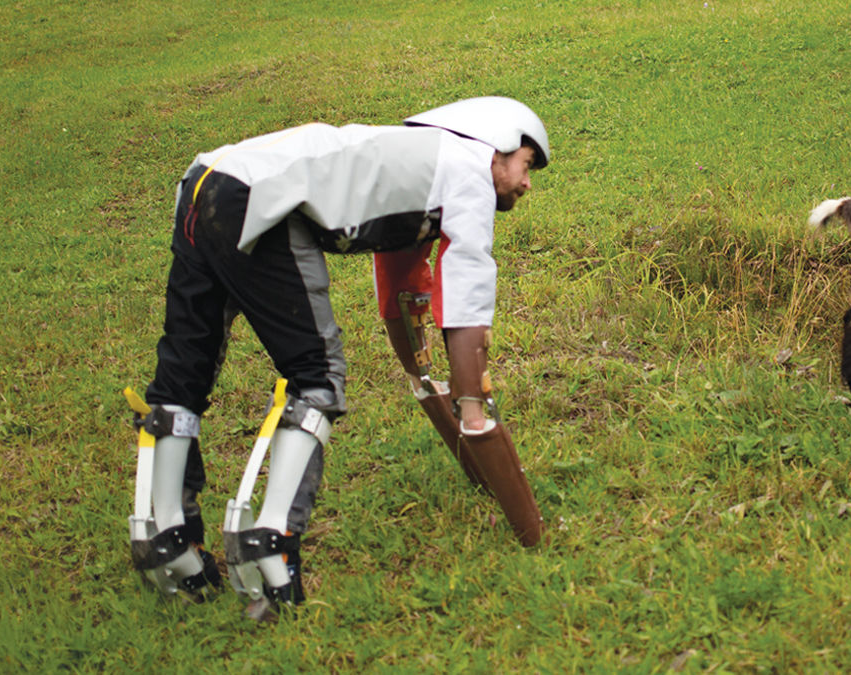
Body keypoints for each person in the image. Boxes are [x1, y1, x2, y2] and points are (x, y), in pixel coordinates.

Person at [124, 97, 548, 618]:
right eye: (527, 165)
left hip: (206, 181)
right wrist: (472, 404)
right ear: (497, 145)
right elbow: (468, 290)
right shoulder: (469, 169)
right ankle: (272, 541)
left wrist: (421, 373)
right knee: (317, 377)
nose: (527, 184)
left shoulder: (419, 157)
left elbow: (403, 283)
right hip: (260, 199)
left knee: (185, 370)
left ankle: (167, 534)